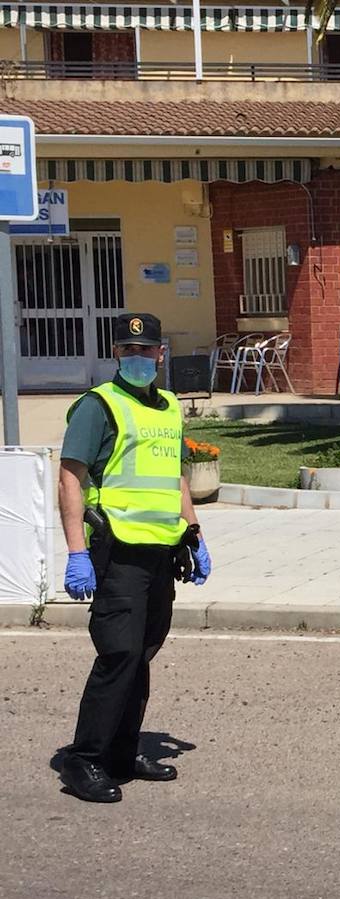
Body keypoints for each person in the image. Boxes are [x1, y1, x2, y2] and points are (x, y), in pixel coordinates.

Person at [57, 313, 213, 804]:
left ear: (160, 354)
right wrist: (76, 552)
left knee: (141, 655)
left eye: (146, 351)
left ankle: (123, 753)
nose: (139, 358)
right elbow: (69, 479)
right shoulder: (98, 406)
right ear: (116, 355)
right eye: (129, 351)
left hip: (161, 553)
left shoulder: (168, 408)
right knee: (118, 654)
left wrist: (195, 532)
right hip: (117, 552)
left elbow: (177, 478)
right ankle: (85, 760)